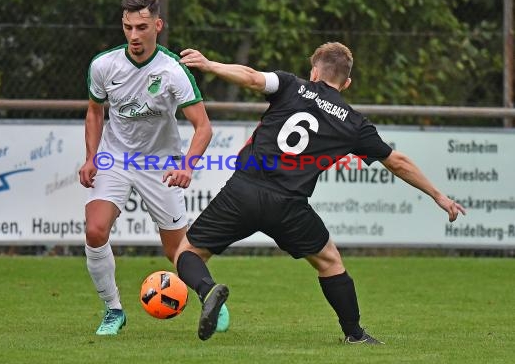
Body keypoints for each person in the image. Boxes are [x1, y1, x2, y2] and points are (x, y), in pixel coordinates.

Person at [174, 42, 466, 343]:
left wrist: (210, 65)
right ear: (347, 83)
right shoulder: (354, 124)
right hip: (288, 206)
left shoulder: (290, 85)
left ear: (314, 71)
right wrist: (438, 196)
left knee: (187, 253)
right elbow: (398, 162)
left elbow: (249, 77)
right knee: (329, 261)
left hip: (243, 191)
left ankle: (207, 289)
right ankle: (355, 334)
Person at [79, 0, 230, 335]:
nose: (134, 35)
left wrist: (187, 166)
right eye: (128, 27)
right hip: (115, 159)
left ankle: (210, 296)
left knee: (176, 248)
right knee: (95, 229)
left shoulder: (173, 70)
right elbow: (94, 111)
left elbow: (203, 127)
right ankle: (113, 310)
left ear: (157, 25)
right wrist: (91, 158)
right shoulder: (104, 65)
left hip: (159, 165)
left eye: (142, 27)